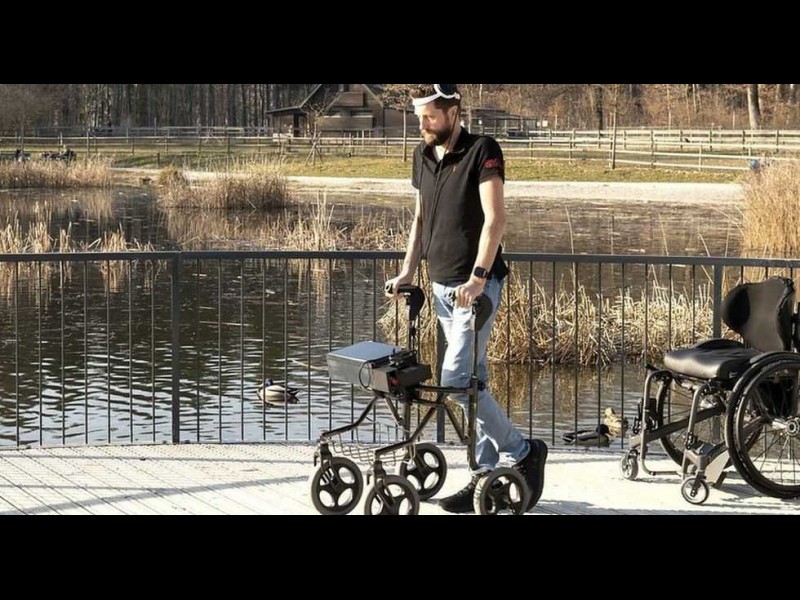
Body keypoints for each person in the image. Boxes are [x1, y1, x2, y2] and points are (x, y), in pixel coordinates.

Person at [384, 84, 548, 513]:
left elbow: (496, 220)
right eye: (419, 116)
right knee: (474, 380)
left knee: (456, 379)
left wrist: (478, 277)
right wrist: (407, 271)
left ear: (453, 112)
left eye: (430, 116)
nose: (422, 124)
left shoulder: (482, 150)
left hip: (475, 290)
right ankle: (484, 474)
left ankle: (523, 450)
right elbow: (420, 220)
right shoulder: (422, 155)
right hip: (441, 287)